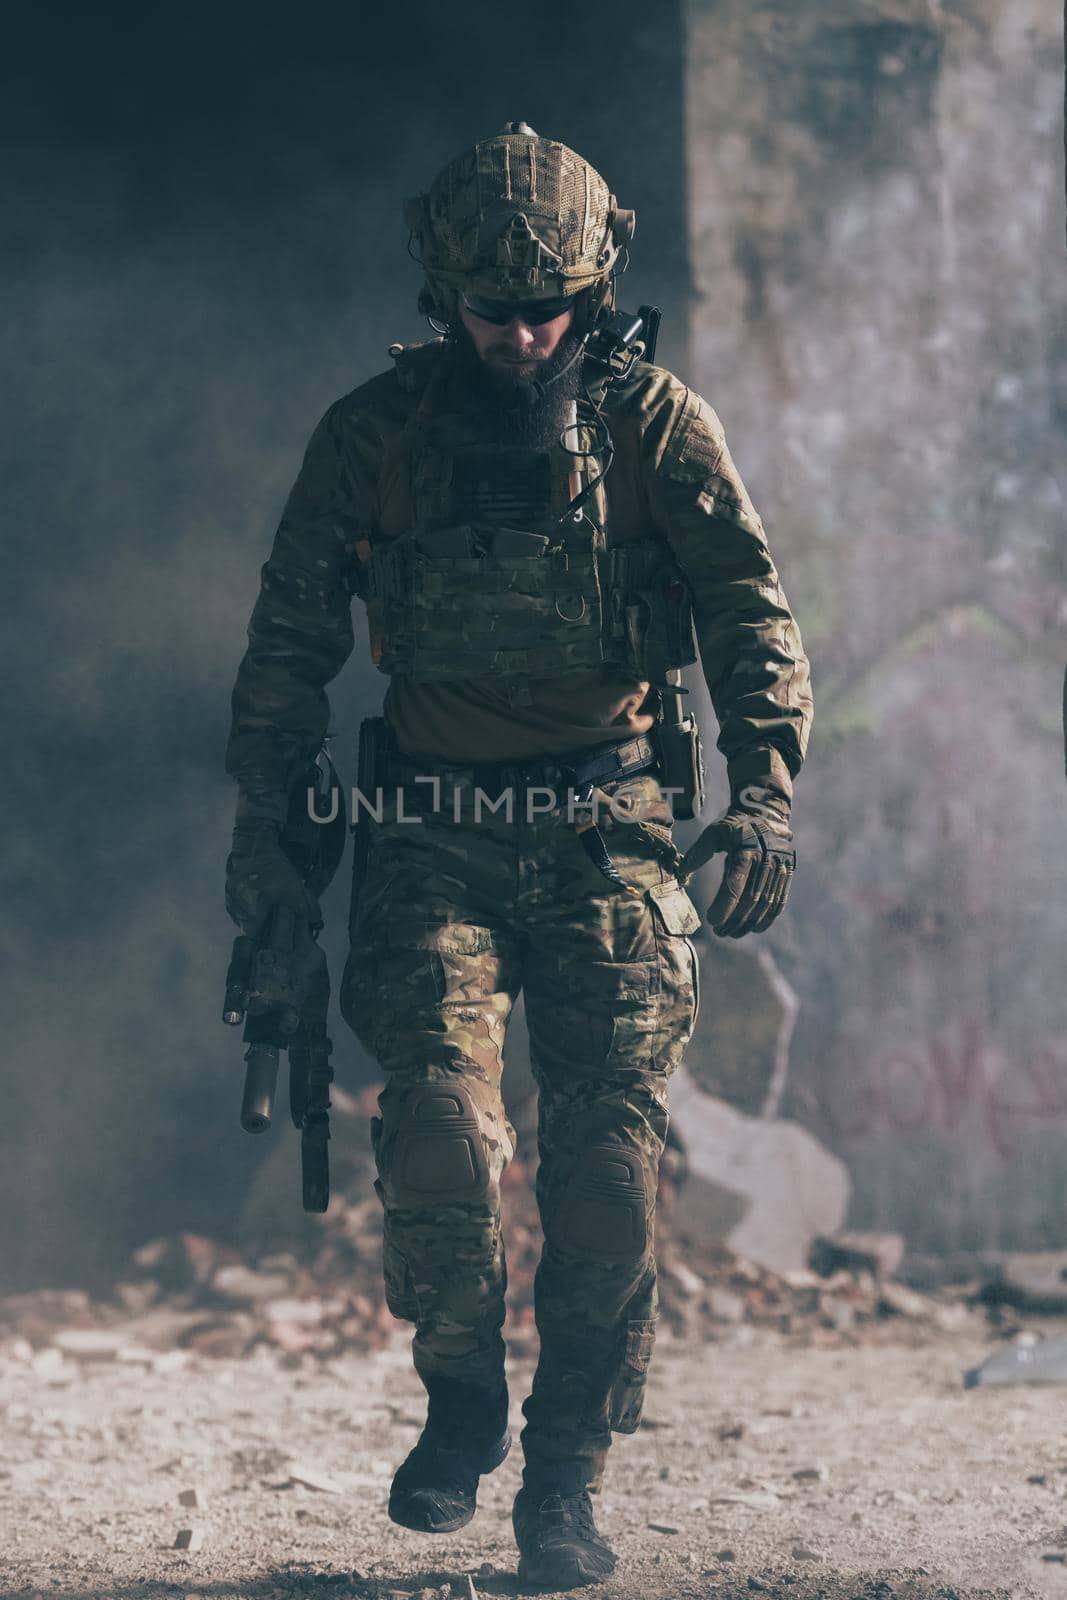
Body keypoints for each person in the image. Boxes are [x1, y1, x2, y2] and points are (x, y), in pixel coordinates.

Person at [224, 122, 813, 1588]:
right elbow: (291, 637)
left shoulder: (655, 425)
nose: (526, 332)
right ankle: (463, 1393)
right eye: (497, 309)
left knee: (609, 1166)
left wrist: (767, 794)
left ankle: (566, 1478)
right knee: (440, 1138)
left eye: (552, 305)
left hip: (610, 834)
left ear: (596, 286)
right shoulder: (377, 436)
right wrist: (273, 818)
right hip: (429, 833)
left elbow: (748, 613)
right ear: (445, 296)